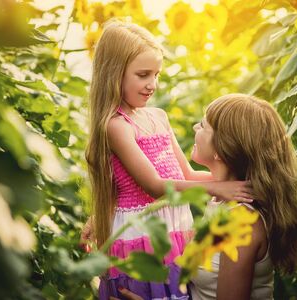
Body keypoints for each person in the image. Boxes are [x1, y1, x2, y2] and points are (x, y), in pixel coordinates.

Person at [84, 21, 252, 300]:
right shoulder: (116, 125)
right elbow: (155, 186)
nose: (152, 84)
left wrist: (239, 181)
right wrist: (218, 188)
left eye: (156, 74)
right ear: (114, 73)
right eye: (143, 75)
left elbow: (185, 174)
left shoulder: (158, 117)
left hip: (173, 230)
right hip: (141, 235)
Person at [188, 94, 297, 299]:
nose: (194, 128)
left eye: (202, 125)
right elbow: (171, 178)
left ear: (220, 149)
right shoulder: (220, 196)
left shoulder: (241, 223)